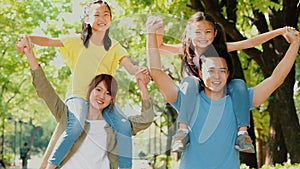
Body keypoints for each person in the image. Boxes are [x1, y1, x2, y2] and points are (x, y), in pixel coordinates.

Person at [146, 16, 299, 168]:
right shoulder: (188, 100)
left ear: (228, 74)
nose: (217, 76)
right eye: (211, 70)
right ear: (200, 73)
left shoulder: (239, 102)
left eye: (222, 71)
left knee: (239, 85)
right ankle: (182, 131)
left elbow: (276, 79)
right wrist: (152, 33)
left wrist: (295, 43)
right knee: (189, 84)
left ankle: (242, 133)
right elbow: (157, 71)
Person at [16, 1, 151, 168]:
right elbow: (50, 41)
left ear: (111, 18)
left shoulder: (115, 46)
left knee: (123, 127)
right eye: (96, 15)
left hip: (102, 99)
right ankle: (52, 165)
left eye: (106, 14)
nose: (102, 18)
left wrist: (140, 72)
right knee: (75, 127)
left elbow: (131, 68)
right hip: (79, 96)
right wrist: (28, 38)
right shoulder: (77, 41)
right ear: (87, 19)